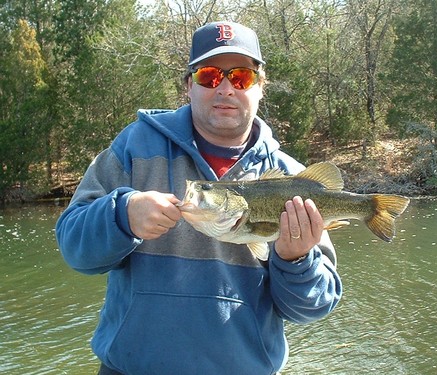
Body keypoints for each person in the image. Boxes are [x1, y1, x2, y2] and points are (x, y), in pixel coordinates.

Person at [56, 21, 342, 375]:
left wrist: (296, 259)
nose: (225, 89)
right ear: (188, 86)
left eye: (241, 78)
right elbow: (73, 249)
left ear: (259, 88)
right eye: (209, 76)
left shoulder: (293, 180)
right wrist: (121, 215)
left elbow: (311, 308)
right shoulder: (134, 146)